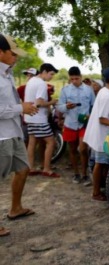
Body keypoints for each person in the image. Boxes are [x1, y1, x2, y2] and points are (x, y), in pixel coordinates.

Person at [0, 33, 38, 237]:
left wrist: (21, 108)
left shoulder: (7, 74)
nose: (16, 57)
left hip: (13, 131)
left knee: (23, 169)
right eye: (12, 53)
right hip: (1, 136)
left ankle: (15, 208)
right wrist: (20, 108)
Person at [83, 66, 109, 201]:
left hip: (99, 135)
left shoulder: (104, 92)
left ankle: (101, 188)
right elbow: (102, 119)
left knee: (101, 164)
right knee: (100, 164)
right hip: (102, 136)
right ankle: (95, 192)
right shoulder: (107, 95)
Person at [56, 66, 95, 184]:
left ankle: (85, 174)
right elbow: (59, 106)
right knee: (72, 149)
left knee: (83, 149)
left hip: (84, 123)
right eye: (72, 79)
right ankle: (76, 173)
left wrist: (91, 117)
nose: (74, 81)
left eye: (76, 78)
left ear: (81, 77)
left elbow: (93, 106)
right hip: (70, 123)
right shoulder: (65, 90)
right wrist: (66, 107)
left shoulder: (89, 90)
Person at [24, 63, 59, 177]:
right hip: (39, 118)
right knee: (51, 142)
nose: (51, 77)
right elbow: (39, 103)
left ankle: (31, 167)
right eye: (51, 74)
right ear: (44, 71)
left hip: (29, 116)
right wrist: (52, 102)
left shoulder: (31, 81)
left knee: (32, 142)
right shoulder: (41, 84)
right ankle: (47, 169)